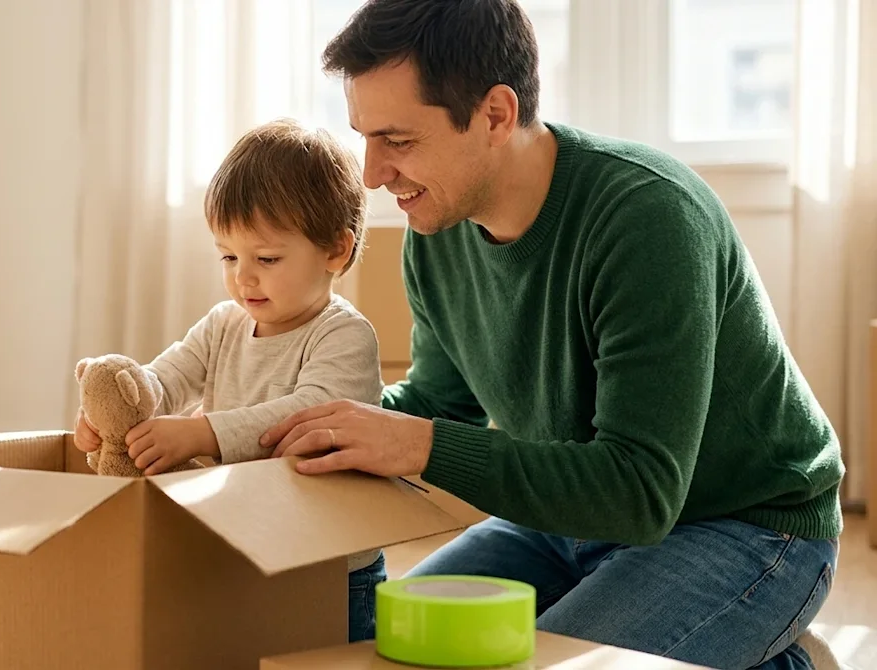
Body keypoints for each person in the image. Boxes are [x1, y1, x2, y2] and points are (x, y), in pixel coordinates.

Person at [258, 1, 845, 667]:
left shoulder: (649, 218)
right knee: (390, 652)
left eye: (399, 141)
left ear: (496, 116)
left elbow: (639, 491)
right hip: (564, 523)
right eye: (363, 137)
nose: (371, 175)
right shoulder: (437, 230)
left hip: (745, 528)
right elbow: (436, 404)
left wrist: (417, 445)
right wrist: (284, 422)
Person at [72, 118, 388, 642]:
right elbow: (166, 378)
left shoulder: (344, 335)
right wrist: (116, 410)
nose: (243, 276)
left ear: (335, 251)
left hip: (333, 569)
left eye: (266, 258)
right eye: (228, 256)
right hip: (246, 550)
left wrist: (202, 434)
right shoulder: (224, 324)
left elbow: (308, 414)